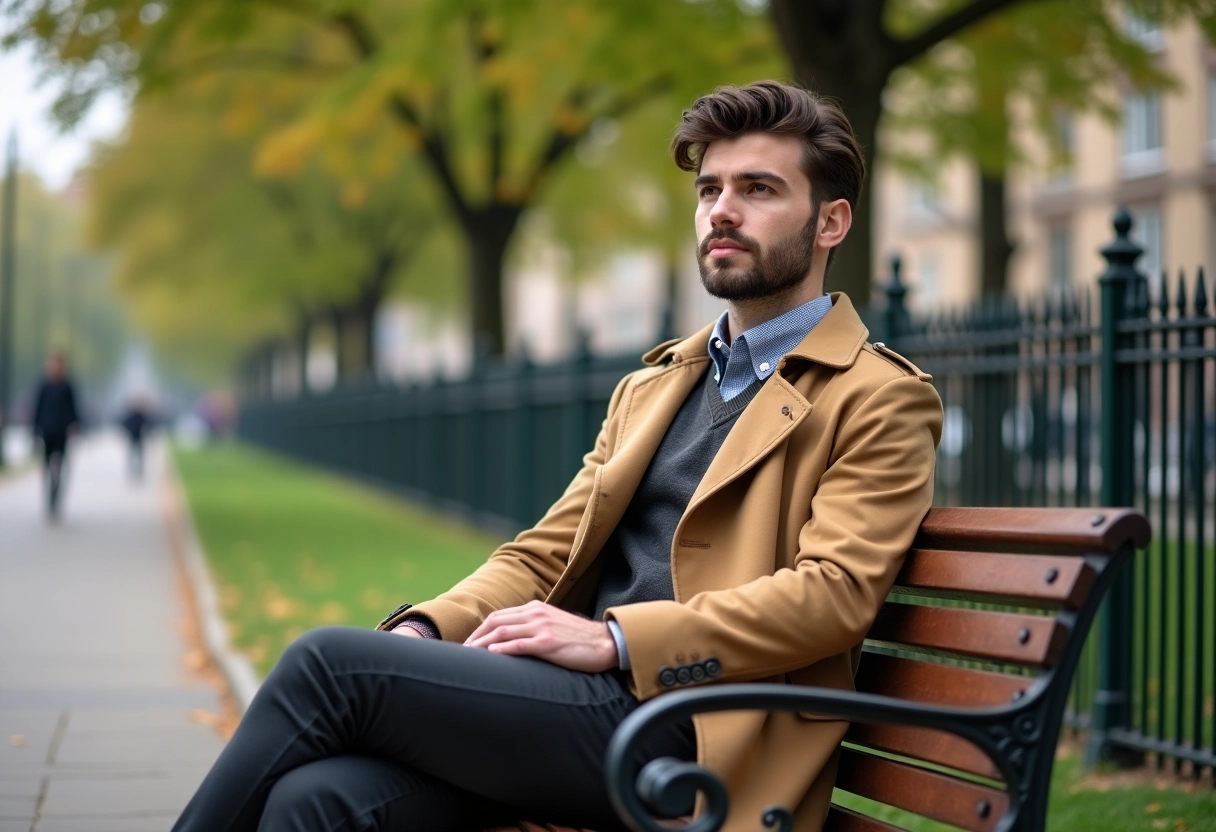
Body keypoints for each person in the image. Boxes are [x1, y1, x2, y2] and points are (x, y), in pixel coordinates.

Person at [173, 81, 943, 832]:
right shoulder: (657, 385)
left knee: (327, 667)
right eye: (709, 190)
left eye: (759, 189)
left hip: (696, 727)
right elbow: (545, 552)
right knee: (317, 800)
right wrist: (428, 631)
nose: (722, 212)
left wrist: (614, 638)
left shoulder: (876, 397)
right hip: (574, 709)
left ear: (831, 221)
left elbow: (834, 594)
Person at [32, 351, 80, 521]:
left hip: (62, 432)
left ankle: (56, 495)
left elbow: (74, 408)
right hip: (46, 431)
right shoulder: (43, 386)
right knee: (46, 467)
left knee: (59, 466)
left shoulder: (67, 386)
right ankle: (49, 498)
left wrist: (75, 425)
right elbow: (37, 409)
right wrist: (34, 431)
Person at [120, 394, 155, 481]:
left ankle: (140, 469)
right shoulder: (131, 414)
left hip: (139, 436)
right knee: (132, 453)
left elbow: (148, 424)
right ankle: (132, 468)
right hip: (132, 435)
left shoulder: (141, 414)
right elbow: (125, 423)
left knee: (139, 453)